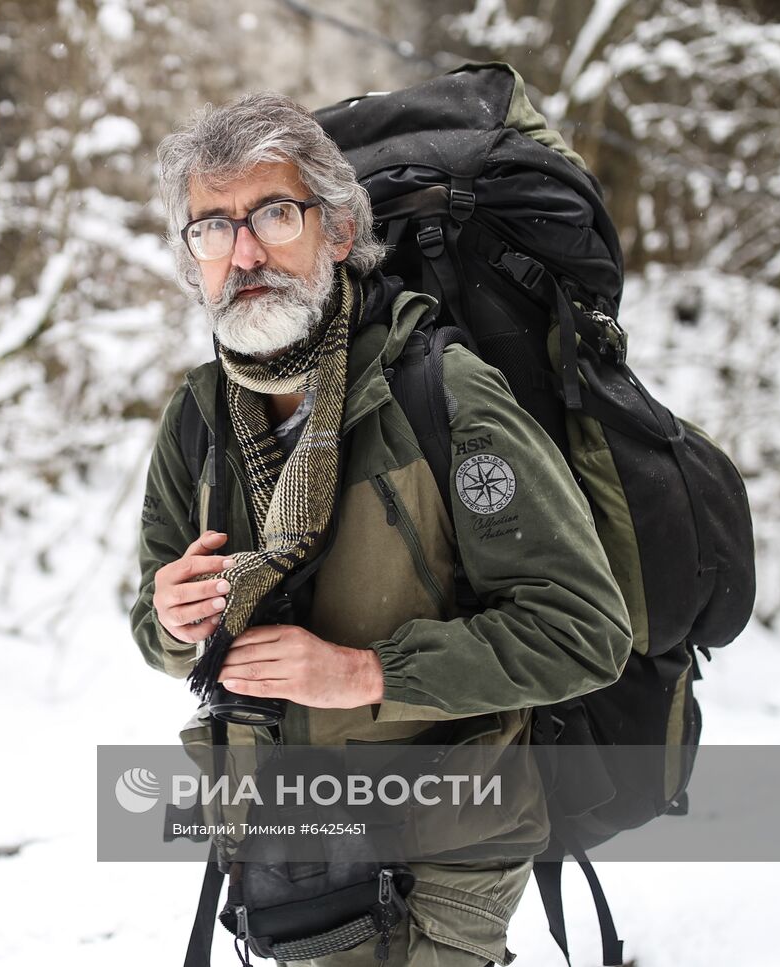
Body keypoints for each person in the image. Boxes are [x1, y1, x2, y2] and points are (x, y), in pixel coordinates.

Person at [129, 92, 632, 966]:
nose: (242, 252)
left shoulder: (442, 393)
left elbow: (583, 630)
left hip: (449, 821)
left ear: (338, 227)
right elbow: (155, 627)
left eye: (273, 214)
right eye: (211, 228)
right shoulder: (198, 417)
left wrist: (364, 673)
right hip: (289, 826)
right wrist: (173, 623)